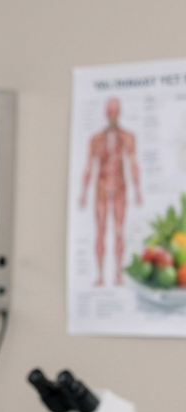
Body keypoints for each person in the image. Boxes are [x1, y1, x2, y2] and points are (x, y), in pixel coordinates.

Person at [79, 96, 142, 287]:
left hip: (120, 187)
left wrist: (138, 189)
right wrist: (83, 193)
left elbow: (133, 163)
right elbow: (89, 166)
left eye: (115, 110)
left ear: (119, 112)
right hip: (101, 187)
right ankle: (100, 275)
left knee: (119, 232)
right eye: (109, 110)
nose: (112, 114)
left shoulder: (127, 137)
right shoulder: (96, 139)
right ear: (106, 113)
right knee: (100, 231)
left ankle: (118, 274)